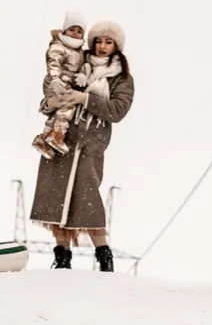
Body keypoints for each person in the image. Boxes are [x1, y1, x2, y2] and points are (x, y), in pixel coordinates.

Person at [28, 21, 135, 271]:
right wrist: (51, 102)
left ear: (117, 46)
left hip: (91, 142)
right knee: (55, 193)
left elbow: (118, 110)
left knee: (87, 197)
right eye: (98, 41)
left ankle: (103, 254)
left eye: (108, 42)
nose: (102, 46)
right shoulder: (78, 63)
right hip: (61, 136)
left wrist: (86, 98)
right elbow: (54, 90)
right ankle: (62, 256)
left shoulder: (121, 77)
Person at [31, 10, 90, 158]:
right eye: (72, 29)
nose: (75, 34)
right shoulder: (59, 45)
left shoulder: (79, 50)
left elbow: (84, 64)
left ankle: (43, 139)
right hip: (55, 82)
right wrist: (55, 79)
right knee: (67, 106)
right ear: (65, 30)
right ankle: (57, 135)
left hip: (67, 82)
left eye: (79, 31)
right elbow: (54, 63)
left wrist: (83, 73)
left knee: (59, 111)